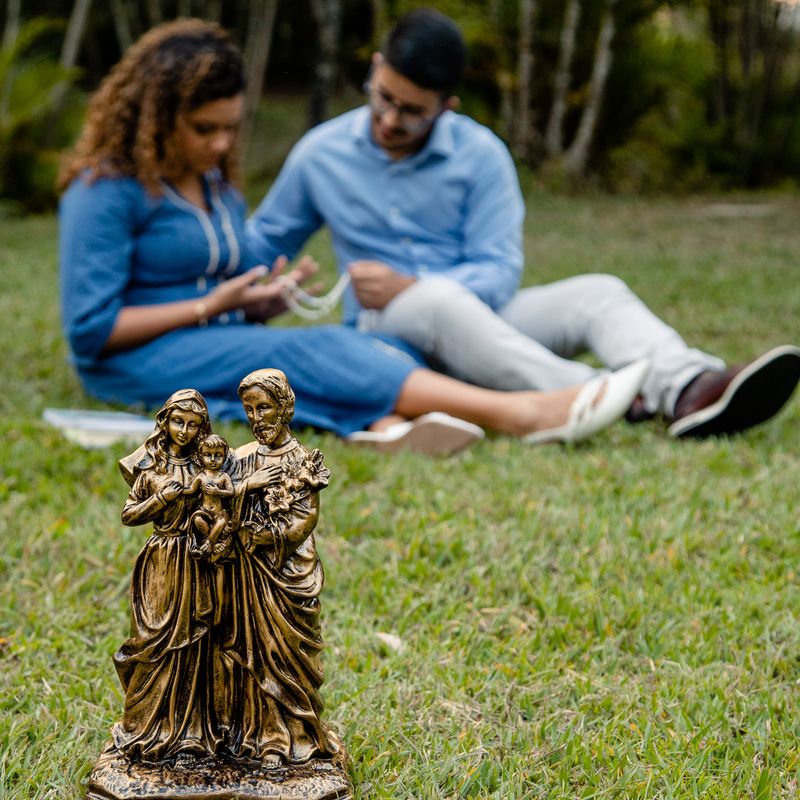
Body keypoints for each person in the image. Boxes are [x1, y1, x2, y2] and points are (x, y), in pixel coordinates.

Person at [57, 17, 649, 454]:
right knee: (312, 352)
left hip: (207, 343)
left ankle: (383, 426)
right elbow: (90, 333)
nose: (220, 145)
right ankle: (523, 412)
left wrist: (257, 302)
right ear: (156, 116)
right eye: (203, 129)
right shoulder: (105, 189)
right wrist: (215, 304)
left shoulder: (215, 185)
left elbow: (232, 271)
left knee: (331, 352)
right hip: (132, 362)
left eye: (230, 129)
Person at [247, 7, 800, 440]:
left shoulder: (481, 155)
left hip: (482, 325)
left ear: (446, 105)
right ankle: (597, 395)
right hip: (384, 338)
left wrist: (418, 287)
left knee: (598, 293)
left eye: (411, 112)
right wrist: (251, 287)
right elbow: (265, 242)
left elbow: (499, 267)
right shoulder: (320, 154)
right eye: (383, 98)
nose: (390, 119)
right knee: (434, 302)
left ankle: (689, 388)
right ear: (373, 68)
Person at [214, 369, 338, 766]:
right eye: (249, 409)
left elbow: (307, 517)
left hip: (287, 573)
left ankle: (295, 733)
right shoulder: (242, 458)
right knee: (248, 653)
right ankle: (255, 735)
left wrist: (270, 537)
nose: (256, 417)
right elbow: (220, 500)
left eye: (264, 407)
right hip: (246, 575)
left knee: (287, 653)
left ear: (285, 407)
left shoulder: (303, 461)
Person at [114, 389, 220, 761]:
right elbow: (129, 514)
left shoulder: (206, 465)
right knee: (154, 640)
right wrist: (162, 500)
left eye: (193, 425)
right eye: (178, 422)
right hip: (161, 558)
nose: (184, 431)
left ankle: (191, 731)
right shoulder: (148, 467)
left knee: (194, 642)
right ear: (165, 421)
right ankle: (145, 724)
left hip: (194, 558)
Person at [186, 433, 235, 561]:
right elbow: (191, 490)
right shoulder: (201, 476)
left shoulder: (223, 476)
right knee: (197, 520)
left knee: (221, 522)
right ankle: (214, 542)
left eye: (218, 456)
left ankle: (208, 544)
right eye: (208, 455)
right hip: (204, 512)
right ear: (201, 456)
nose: (213, 459)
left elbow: (231, 492)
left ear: (224, 457)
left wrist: (217, 492)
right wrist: (179, 491)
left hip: (219, 513)